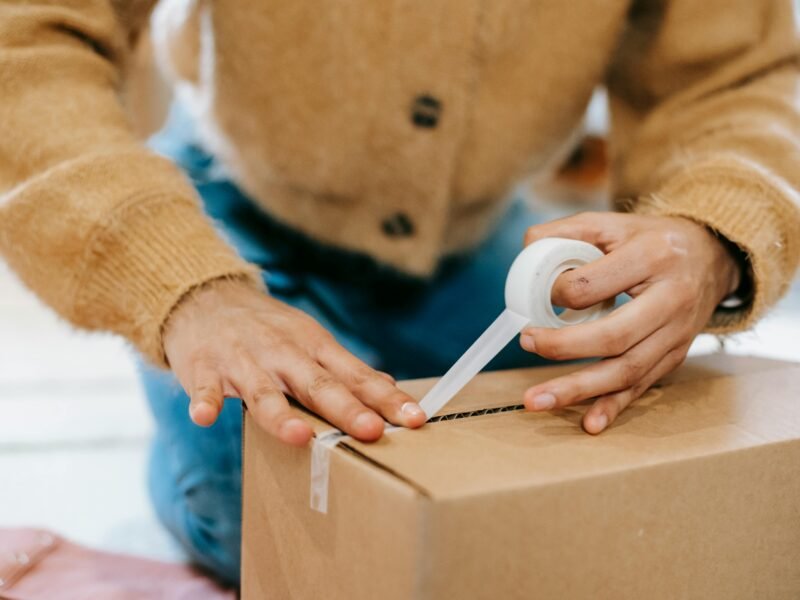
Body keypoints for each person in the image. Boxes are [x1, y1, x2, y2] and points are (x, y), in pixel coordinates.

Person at [1, 0, 798, 586]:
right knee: (267, 507)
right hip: (225, 206)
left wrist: (716, 234)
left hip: (476, 232)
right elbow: (23, 42)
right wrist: (176, 281)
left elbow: (741, 78)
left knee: (576, 471)